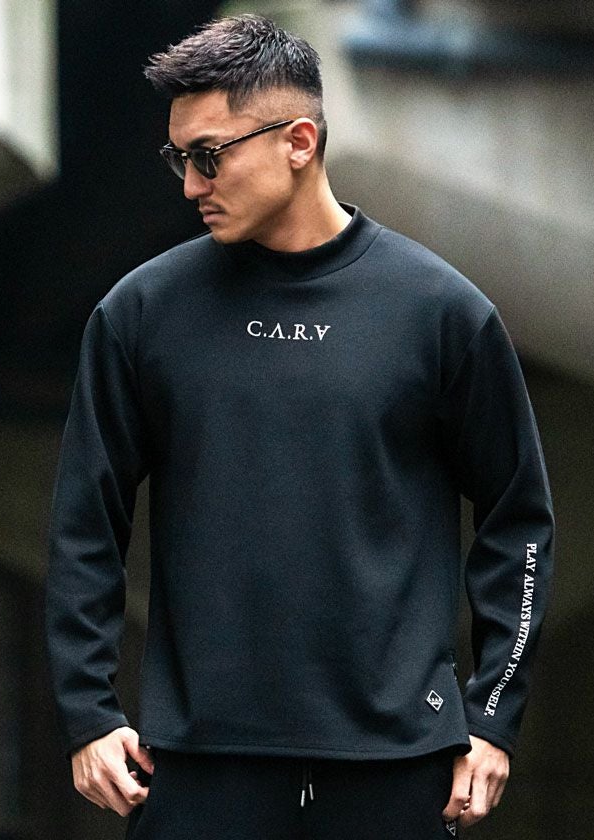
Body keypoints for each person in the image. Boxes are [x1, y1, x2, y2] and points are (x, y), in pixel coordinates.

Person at [44, 13, 555, 839]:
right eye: (179, 159)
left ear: (299, 141)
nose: (190, 185)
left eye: (209, 156)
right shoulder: (141, 315)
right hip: (200, 766)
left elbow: (518, 518)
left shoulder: (441, 313)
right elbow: (83, 525)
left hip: (399, 768)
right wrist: (87, 713)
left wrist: (493, 715)